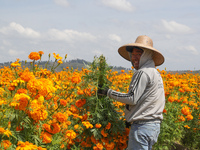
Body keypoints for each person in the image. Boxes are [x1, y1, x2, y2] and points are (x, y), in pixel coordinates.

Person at [98, 35, 165, 150]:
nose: (134, 58)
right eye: (133, 54)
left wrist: (108, 92)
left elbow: (132, 98)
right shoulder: (155, 72)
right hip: (152, 127)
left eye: (139, 54)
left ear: (147, 55)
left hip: (142, 127)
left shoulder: (142, 73)